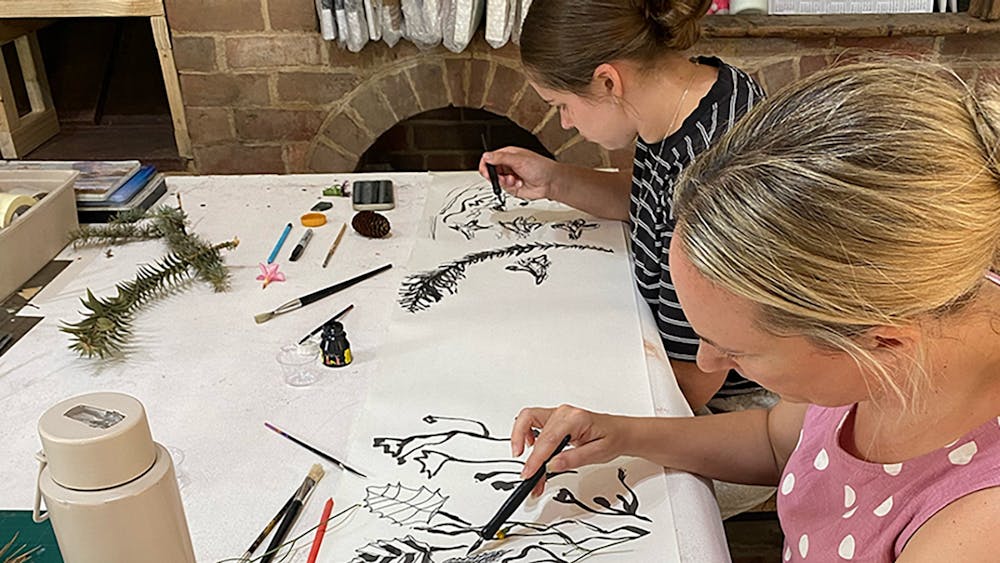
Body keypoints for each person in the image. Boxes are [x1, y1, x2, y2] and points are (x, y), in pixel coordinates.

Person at [511, 60, 1000, 561]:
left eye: (737, 351)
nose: (705, 362)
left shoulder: (975, 527)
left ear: (884, 342)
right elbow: (777, 441)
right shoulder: (911, 306)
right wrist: (623, 433)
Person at [479, 0, 768, 411]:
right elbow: (650, 205)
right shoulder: (699, 95)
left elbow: (694, 379)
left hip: (726, 400)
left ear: (608, 82)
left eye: (561, 105)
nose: (565, 122)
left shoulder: (712, 174)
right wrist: (553, 180)